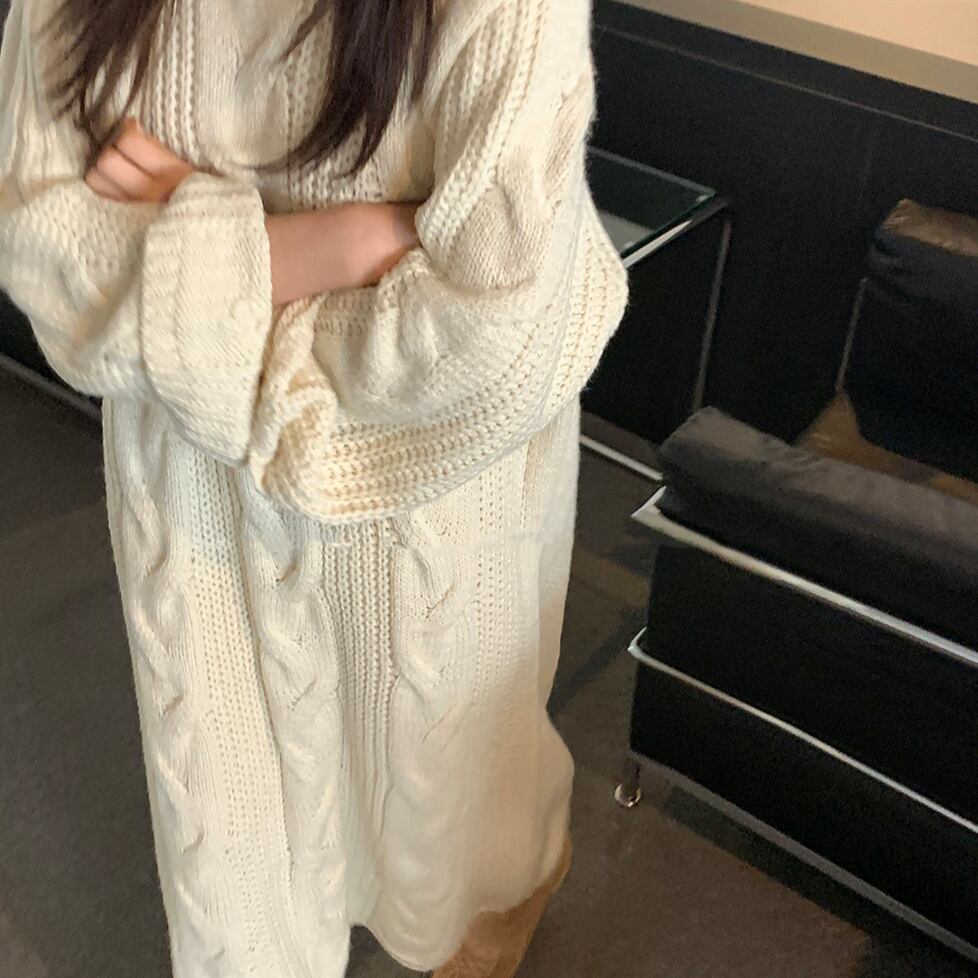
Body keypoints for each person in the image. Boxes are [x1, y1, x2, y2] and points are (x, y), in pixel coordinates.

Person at [0, 0, 628, 974]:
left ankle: (503, 902)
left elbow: (492, 334)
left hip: (426, 499)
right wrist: (336, 244)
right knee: (240, 853)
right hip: (197, 512)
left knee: (459, 832)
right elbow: (43, 246)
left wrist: (188, 272)